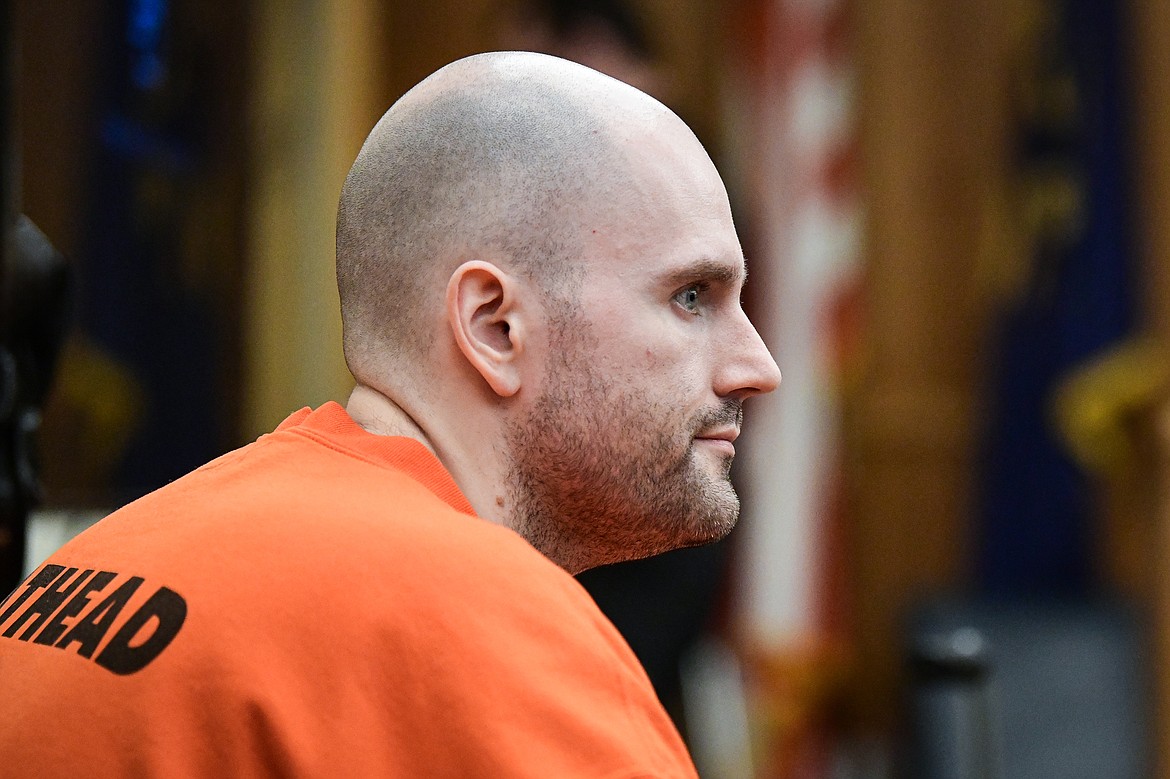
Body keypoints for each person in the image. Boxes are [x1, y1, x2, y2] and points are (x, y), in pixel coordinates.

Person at [0, 51, 780, 777]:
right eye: (690, 296)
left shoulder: (95, 563)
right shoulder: (486, 633)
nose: (759, 367)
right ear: (495, 327)